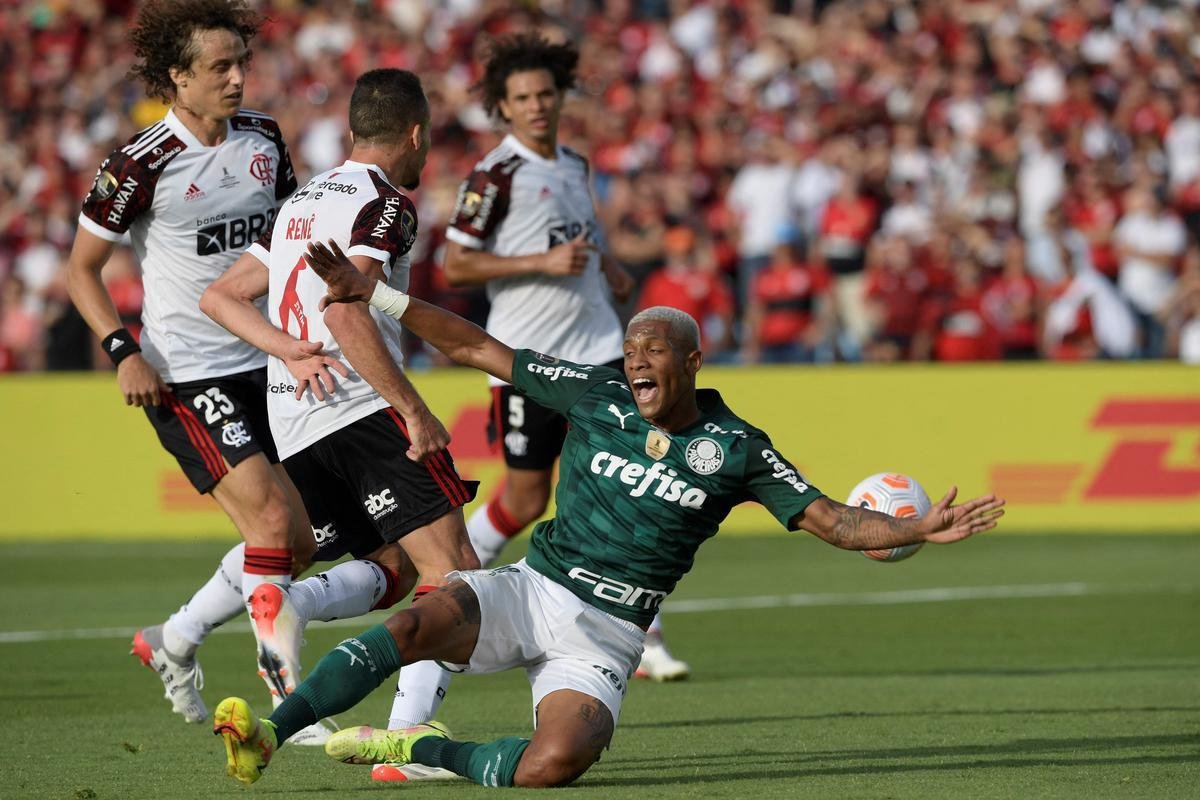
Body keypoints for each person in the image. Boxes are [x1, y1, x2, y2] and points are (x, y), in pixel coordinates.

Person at [210, 240, 1005, 790]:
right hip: (535, 589)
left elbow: (835, 520)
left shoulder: (738, 449)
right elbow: (480, 348)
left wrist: (916, 527)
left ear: (693, 361)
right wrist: (377, 295)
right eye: (630, 349)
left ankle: (424, 747)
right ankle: (269, 736)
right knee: (423, 616)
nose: (635, 360)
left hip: (610, 629)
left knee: (554, 765)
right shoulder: (599, 395)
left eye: (653, 350)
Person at [63, 0, 332, 742]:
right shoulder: (138, 165)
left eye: (241, 62)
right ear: (177, 77)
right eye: (219, 67)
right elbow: (81, 270)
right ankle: (288, 700)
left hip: (267, 359)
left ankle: (174, 638)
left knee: (302, 543)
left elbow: (288, 239)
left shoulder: (265, 139)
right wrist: (124, 351)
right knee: (272, 521)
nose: (237, 78)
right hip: (186, 373)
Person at [200, 67, 481, 773]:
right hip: (359, 407)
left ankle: (292, 608)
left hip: (297, 418)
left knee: (391, 565)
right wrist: (413, 409)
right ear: (413, 133)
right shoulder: (384, 203)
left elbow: (223, 297)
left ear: (356, 129)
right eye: (426, 142)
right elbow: (348, 308)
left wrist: (286, 351)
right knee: (457, 576)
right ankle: (406, 743)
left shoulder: (302, 201)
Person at [438, 31, 686, 704]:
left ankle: (645, 634)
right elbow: (454, 265)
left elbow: (583, 235)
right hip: (527, 363)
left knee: (632, 483)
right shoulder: (495, 176)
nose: (537, 106)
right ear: (504, 107)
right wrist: (539, 265)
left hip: (601, 351)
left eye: (546, 94)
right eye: (522, 98)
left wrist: (606, 266)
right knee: (524, 499)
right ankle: (455, 581)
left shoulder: (574, 164)